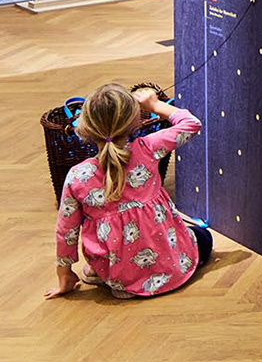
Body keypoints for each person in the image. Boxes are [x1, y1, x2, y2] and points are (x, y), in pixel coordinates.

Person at [48, 83, 209, 299]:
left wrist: (64, 274)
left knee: (104, 238)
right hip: (170, 265)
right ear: (134, 122)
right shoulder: (148, 148)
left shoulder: (77, 176)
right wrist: (155, 105)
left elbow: (66, 231)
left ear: (85, 127)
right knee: (204, 237)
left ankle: (107, 275)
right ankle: (146, 275)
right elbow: (191, 124)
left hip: (115, 269)